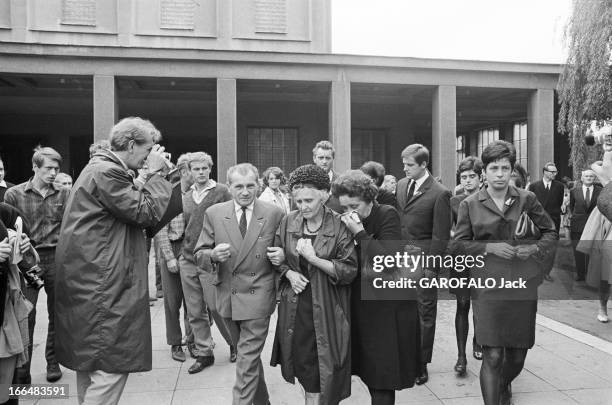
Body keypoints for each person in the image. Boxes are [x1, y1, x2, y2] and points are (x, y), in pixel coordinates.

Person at [54, 117, 181, 405]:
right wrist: (158, 175)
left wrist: (150, 176)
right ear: (132, 144)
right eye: (148, 149)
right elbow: (144, 213)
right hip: (103, 285)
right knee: (112, 366)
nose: (150, 155)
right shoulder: (107, 172)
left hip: (92, 280)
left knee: (92, 364)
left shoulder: (100, 168)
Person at [454, 140, 557, 405]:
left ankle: (501, 386)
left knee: (517, 357)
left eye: (505, 168)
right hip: (487, 288)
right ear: (483, 173)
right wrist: (489, 247)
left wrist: (532, 249)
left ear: (512, 170)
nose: (500, 174)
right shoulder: (469, 204)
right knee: (493, 356)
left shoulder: (526, 198)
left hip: (522, 287)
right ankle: (493, 395)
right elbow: (459, 245)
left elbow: (550, 232)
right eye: (493, 168)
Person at [195, 163, 284, 405]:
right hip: (227, 295)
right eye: (239, 186)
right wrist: (212, 255)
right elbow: (199, 254)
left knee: (245, 362)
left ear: (258, 185)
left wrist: (282, 256)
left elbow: (286, 250)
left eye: (250, 186)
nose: (245, 192)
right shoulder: (214, 213)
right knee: (249, 358)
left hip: (259, 296)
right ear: (229, 187)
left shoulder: (274, 213)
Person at [271, 164, 358, 405]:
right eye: (298, 201)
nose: (303, 207)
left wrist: (313, 259)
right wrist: (288, 272)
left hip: (329, 309)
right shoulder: (289, 221)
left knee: (327, 373)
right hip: (297, 311)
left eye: (309, 200)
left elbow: (349, 270)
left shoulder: (340, 224)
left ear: (324, 195)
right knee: (307, 373)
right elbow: (278, 259)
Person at [332, 170, 419, 405]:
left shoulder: (386, 214)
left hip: (387, 308)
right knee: (370, 373)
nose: (349, 212)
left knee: (383, 377)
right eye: (344, 207)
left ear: (369, 199)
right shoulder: (347, 217)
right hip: (360, 304)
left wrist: (359, 233)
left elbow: (387, 263)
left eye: (354, 206)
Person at [4, 146, 69, 384]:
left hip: (56, 258)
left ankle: (53, 362)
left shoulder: (64, 194)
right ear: (35, 167)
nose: (53, 173)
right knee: (26, 314)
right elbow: (9, 228)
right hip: (26, 261)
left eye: (57, 169)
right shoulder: (14, 194)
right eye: (48, 168)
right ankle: (23, 369)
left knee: (57, 313)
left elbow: (69, 227)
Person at [395, 144, 452, 385]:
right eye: (404, 164)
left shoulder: (440, 193)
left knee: (424, 313)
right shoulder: (400, 185)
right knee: (401, 310)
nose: (405, 169)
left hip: (424, 262)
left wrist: (432, 269)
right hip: (400, 261)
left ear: (423, 164)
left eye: (410, 165)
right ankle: (405, 357)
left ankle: (421, 364)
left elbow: (441, 236)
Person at [180, 152, 236, 373]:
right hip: (187, 258)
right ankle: (205, 352)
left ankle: (234, 343)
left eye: (204, 168)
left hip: (211, 257)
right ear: (190, 171)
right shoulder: (185, 195)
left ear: (210, 168)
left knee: (216, 306)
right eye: (196, 169)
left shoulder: (221, 191)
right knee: (194, 310)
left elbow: (231, 221)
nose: (200, 172)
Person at [449, 156, 483, 374]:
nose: (468, 180)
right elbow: (449, 229)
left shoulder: (488, 199)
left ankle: (478, 340)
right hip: (461, 258)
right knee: (462, 305)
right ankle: (461, 356)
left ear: (481, 178)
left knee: (481, 305)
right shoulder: (455, 201)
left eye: (472, 176)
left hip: (484, 259)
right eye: (464, 177)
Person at [0, 203, 37, 405]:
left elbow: (24, 243)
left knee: (8, 392)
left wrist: (21, 241)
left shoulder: (4, 211)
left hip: (6, 314)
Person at [528, 162, 564, 282]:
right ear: (545, 172)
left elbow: (559, 203)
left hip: (553, 221)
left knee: (551, 249)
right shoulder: (534, 186)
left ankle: (546, 272)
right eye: (552, 172)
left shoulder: (559, 186)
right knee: (537, 246)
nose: (555, 174)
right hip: (537, 222)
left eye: (556, 172)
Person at [570, 170, 601, 282]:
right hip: (577, 226)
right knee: (577, 250)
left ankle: (589, 274)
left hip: (593, 225)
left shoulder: (600, 191)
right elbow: (571, 207)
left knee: (592, 250)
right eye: (586, 176)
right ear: (582, 178)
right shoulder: (574, 191)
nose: (589, 178)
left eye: (591, 176)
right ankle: (580, 274)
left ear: (594, 178)